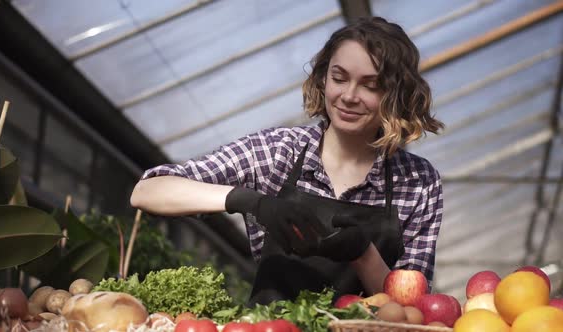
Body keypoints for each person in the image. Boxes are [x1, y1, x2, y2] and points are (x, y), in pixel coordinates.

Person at [130, 16, 444, 305]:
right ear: (323, 79)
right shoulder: (281, 151)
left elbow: (412, 313)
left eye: (370, 85)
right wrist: (249, 202)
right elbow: (147, 191)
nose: (349, 95)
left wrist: (364, 255)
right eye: (339, 77)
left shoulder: (417, 182)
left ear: (396, 95)